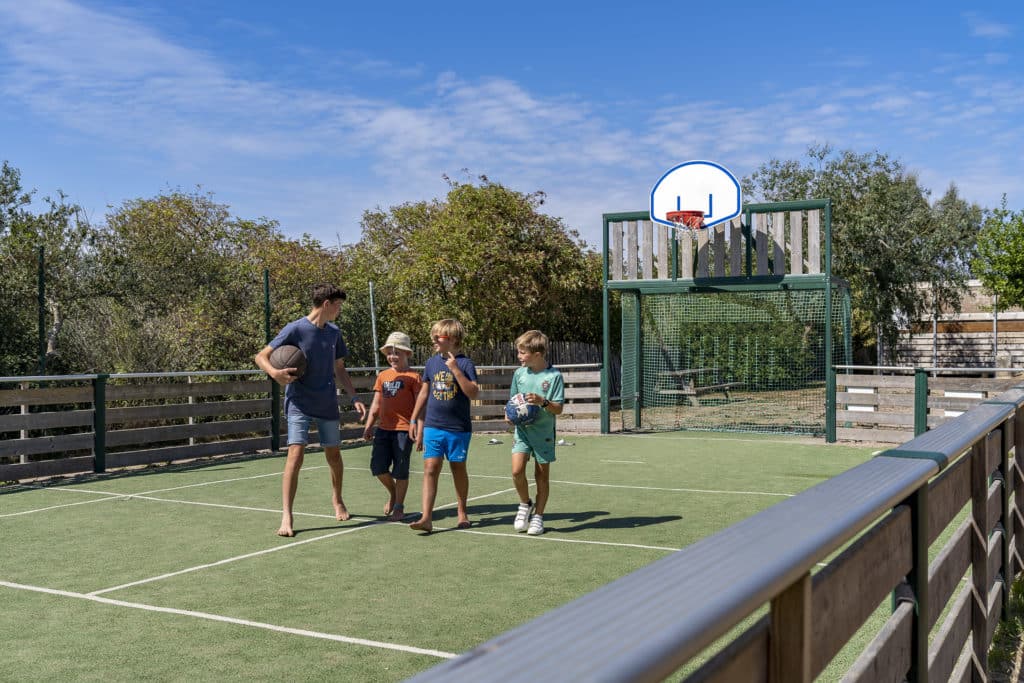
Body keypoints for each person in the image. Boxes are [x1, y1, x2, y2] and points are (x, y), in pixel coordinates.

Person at [254, 283, 367, 537]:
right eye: (338, 306)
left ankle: (337, 499)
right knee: (295, 453)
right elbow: (261, 356)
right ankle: (287, 515)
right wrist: (275, 373)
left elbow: (339, 368)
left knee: (334, 455)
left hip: (326, 401)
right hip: (299, 402)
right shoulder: (295, 328)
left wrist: (354, 396)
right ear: (326, 304)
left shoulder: (334, 333)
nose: (339, 311)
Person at [407, 319, 479, 533]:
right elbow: (424, 392)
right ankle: (426, 517)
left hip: (458, 428)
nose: (433, 340)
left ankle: (462, 512)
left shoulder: (466, 364)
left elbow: (473, 393)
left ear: (453, 339)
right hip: (433, 426)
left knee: (458, 468)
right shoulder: (431, 363)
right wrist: (413, 419)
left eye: (438, 337)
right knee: (430, 468)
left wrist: (456, 370)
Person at [507, 330, 564, 536]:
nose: (519, 356)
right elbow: (513, 401)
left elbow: (558, 409)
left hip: (543, 433)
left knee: (541, 476)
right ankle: (525, 504)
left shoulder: (554, 376)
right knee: (516, 471)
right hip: (522, 431)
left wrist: (543, 401)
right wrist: (509, 414)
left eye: (523, 352)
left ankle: (538, 517)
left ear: (537, 354)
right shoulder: (519, 374)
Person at [361, 331, 421, 522]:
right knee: (378, 467)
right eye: (389, 352)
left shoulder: (414, 377)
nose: (392, 357)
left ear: (407, 354)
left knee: (401, 470)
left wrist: (419, 430)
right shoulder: (383, 376)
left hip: (405, 430)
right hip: (384, 429)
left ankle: (398, 506)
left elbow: (421, 406)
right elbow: (377, 403)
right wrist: (369, 425)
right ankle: (393, 493)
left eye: (397, 352)